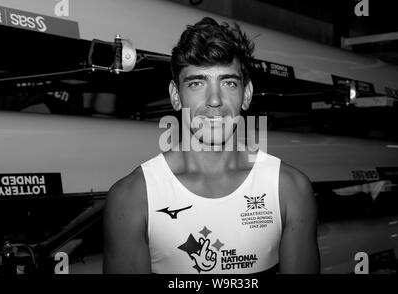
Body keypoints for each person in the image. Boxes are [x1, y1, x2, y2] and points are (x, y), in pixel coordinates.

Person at [103, 17, 319, 274]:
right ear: (175, 95)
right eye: (197, 83)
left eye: (228, 83)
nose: (214, 100)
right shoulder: (133, 197)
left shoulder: (289, 189)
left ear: (247, 94)